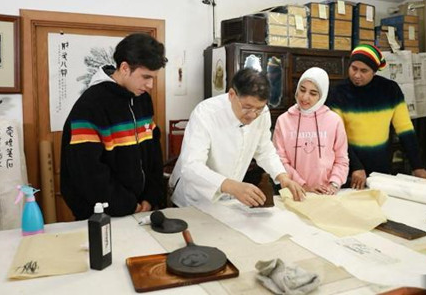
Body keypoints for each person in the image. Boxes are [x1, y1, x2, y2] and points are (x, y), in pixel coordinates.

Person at [60, 33, 167, 220]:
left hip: (142, 211)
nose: (150, 85)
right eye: (145, 77)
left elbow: (153, 152)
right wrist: (127, 205)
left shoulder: (142, 100)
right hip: (103, 216)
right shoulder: (91, 105)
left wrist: (151, 196)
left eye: (153, 78)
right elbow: (87, 172)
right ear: (125, 68)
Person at [169, 68, 305, 207]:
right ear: (232, 94)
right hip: (194, 200)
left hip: (228, 200)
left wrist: (282, 176)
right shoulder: (206, 113)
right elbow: (191, 166)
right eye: (247, 107)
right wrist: (231, 186)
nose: (253, 115)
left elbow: (265, 150)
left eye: (258, 108)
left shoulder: (263, 113)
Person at [326, 44, 426, 190]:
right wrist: (356, 166)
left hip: (381, 170)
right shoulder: (337, 93)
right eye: (353, 68)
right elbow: (337, 137)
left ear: (374, 72)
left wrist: (418, 166)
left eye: (364, 71)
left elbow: (405, 130)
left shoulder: (390, 90)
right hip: (348, 170)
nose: (357, 75)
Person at [273, 67, 349, 194]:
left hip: (326, 194)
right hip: (293, 191)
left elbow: (341, 159)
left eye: (313, 93)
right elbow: (280, 160)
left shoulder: (334, 120)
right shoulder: (283, 120)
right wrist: (302, 185)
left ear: (322, 95)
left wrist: (334, 185)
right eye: (302, 90)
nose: (304, 97)